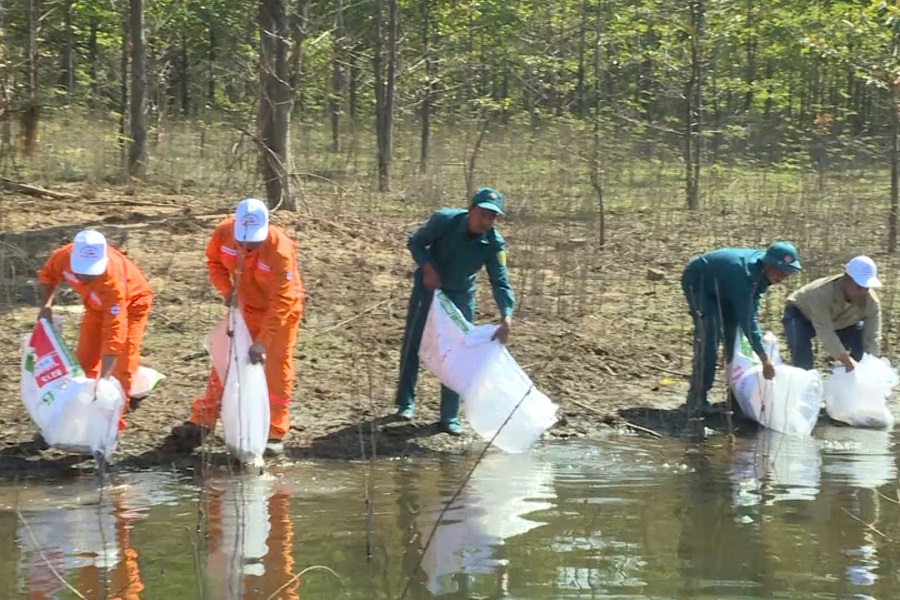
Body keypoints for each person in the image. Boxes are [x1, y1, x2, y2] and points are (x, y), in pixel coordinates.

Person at [171, 198, 305, 456]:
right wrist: (227, 290)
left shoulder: (280, 251)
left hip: (280, 313)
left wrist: (262, 342)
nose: (246, 246)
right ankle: (202, 421)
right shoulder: (223, 232)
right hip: (244, 308)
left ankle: (274, 431)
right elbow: (214, 263)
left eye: (253, 242)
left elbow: (283, 300)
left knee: (276, 368)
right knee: (226, 360)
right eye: (242, 240)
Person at [395, 187, 515, 435]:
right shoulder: (444, 220)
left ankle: (449, 416)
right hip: (429, 289)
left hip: (460, 296)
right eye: (482, 213)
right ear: (471, 209)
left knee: (457, 352)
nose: (486, 221)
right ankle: (405, 403)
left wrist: (506, 315)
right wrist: (427, 268)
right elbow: (415, 242)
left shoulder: (493, 243)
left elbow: (500, 280)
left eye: (492, 216)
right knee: (414, 343)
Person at [36, 229, 154, 431]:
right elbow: (48, 275)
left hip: (132, 306)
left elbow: (114, 331)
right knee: (84, 361)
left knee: (121, 367)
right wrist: (46, 306)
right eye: (82, 272)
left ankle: (111, 421)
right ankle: (82, 410)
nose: (85, 277)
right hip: (95, 307)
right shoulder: (63, 256)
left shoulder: (113, 282)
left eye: (92, 273)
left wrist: (106, 379)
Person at [681, 241, 802, 415]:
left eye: (788, 272)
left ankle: (736, 395)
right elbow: (748, 320)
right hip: (700, 283)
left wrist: (757, 347)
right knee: (710, 336)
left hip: (726, 288)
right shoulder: (743, 274)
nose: (784, 276)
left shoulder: (764, 274)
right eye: (780, 271)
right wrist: (764, 359)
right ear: (768, 264)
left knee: (734, 340)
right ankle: (696, 398)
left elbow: (751, 307)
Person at [783, 255, 881, 371]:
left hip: (838, 321)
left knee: (862, 345)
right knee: (803, 359)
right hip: (801, 314)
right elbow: (825, 331)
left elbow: (872, 337)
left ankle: (852, 377)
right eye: (859, 287)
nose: (863, 292)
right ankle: (803, 379)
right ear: (847, 280)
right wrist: (846, 359)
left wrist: (870, 365)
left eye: (867, 287)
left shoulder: (871, 302)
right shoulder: (821, 293)